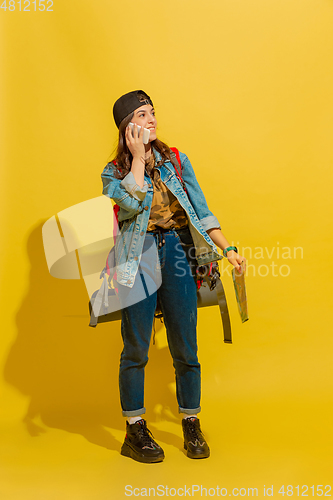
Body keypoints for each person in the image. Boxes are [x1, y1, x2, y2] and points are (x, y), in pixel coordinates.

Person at [101, 90, 246, 463]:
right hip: (138, 257)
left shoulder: (176, 160)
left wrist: (228, 250)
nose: (151, 120)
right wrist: (136, 159)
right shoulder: (113, 173)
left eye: (153, 113)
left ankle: (190, 421)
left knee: (186, 345)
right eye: (142, 114)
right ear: (127, 125)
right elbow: (131, 204)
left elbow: (201, 209)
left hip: (180, 251)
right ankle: (135, 429)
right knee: (135, 347)